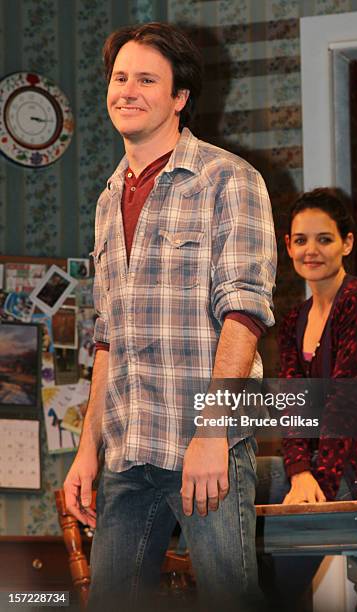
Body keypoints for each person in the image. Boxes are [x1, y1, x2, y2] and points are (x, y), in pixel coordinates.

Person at [63, 22, 276, 612]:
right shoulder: (109, 199)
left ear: (180, 97)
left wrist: (212, 433)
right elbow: (108, 337)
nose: (127, 90)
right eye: (119, 77)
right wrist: (88, 449)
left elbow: (245, 315)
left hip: (203, 444)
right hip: (127, 450)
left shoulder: (229, 180)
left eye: (147, 79)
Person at [256, 187, 357, 609]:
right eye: (301, 240)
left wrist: (312, 479)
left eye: (325, 239)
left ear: (347, 243)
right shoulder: (292, 322)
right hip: (321, 467)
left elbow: (345, 402)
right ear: (287, 245)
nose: (311, 251)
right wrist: (300, 469)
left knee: (279, 581)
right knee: (236, 476)